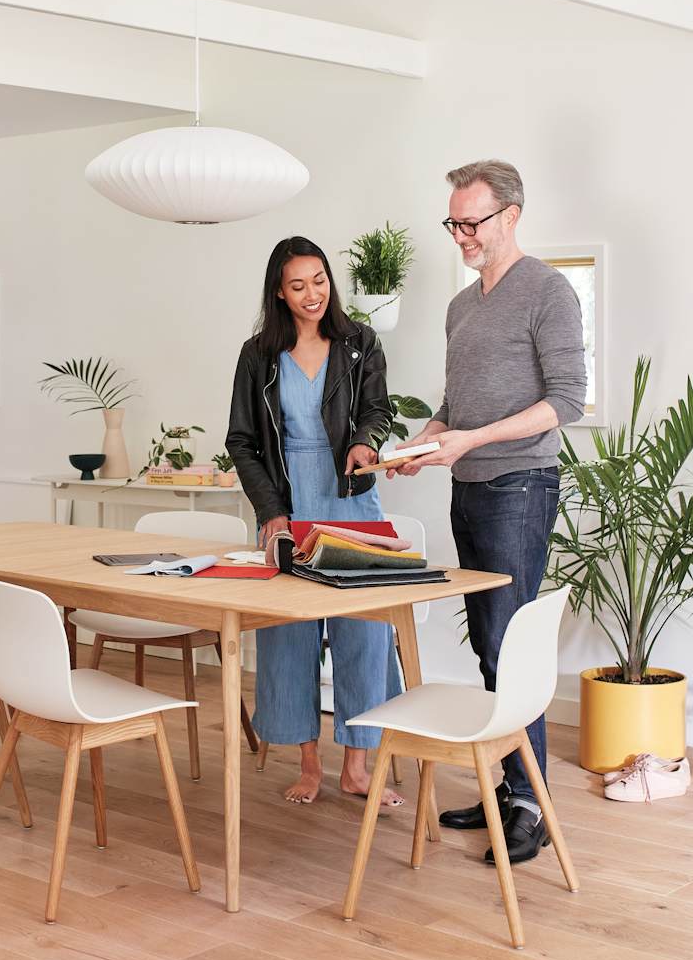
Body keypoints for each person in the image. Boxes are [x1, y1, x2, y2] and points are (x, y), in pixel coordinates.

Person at [391, 160, 586, 863]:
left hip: (520, 486)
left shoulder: (549, 292)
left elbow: (565, 399)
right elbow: (454, 407)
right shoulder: (461, 306)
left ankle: (531, 801)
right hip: (467, 487)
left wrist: (472, 438)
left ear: (510, 216)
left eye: (471, 223)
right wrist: (421, 444)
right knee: (485, 644)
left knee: (510, 644)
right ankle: (508, 786)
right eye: (454, 223)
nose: (461, 235)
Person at [226, 236, 404, 805]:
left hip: (350, 497)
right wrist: (271, 510)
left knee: (365, 635)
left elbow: (378, 408)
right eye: (298, 285)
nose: (312, 294)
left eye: (320, 280)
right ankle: (309, 765)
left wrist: (364, 443)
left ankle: (356, 766)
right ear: (279, 292)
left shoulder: (359, 342)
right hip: (289, 500)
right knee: (291, 634)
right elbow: (242, 440)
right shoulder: (257, 356)